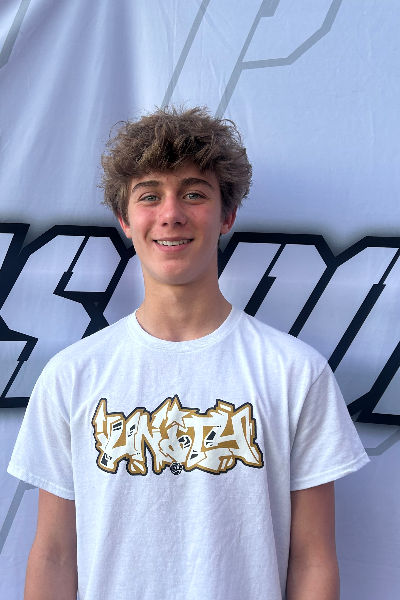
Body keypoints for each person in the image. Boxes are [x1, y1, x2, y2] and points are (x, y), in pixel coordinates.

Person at [8, 106, 369, 600]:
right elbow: (53, 555)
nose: (171, 213)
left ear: (227, 216)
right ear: (124, 219)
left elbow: (312, 560)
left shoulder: (295, 373)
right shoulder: (71, 375)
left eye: (194, 193)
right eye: (149, 195)